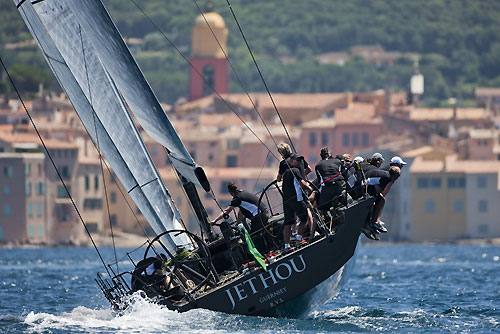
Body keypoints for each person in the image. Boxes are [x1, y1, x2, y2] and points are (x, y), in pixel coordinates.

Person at [211, 182, 270, 252]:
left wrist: (215, 220)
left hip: (258, 217)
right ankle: (267, 250)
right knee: (259, 233)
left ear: (230, 192)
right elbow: (241, 212)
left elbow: (226, 211)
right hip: (265, 213)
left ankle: (264, 253)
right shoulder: (243, 193)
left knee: (254, 237)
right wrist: (238, 223)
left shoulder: (237, 198)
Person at [281, 154, 313, 248]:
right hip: (297, 200)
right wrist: (310, 189)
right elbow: (302, 183)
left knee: (288, 223)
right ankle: (299, 239)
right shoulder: (295, 170)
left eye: (300, 161)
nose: (299, 162)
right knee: (305, 218)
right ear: (291, 162)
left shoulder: (286, 173)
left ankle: (286, 246)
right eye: (297, 160)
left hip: (287, 201)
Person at [362, 166, 401, 239]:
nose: (397, 178)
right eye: (397, 176)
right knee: (381, 200)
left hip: (365, 185)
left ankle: (374, 221)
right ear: (395, 175)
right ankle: (374, 221)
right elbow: (380, 191)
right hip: (364, 186)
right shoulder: (387, 178)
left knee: (380, 199)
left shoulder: (386, 174)